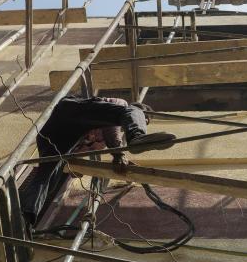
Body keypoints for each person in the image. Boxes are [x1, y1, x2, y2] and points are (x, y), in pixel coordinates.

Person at [19, 95, 175, 230]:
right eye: (144, 121)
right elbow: (112, 127)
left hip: (56, 136)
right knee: (132, 112)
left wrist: (73, 166)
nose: (142, 122)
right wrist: (119, 153)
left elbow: (74, 154)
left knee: (46, 179)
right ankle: (137, 137)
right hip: (70, 111)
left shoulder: (101, 143)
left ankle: (24, 219)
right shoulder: (122, 105)